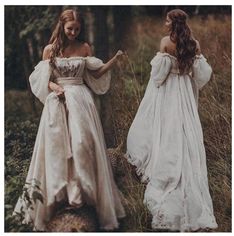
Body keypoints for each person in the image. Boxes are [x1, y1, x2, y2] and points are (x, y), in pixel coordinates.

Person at [13, 9, 125, 231]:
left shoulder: (84, 48)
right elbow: (42, 79)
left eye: (77, 29)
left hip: (81, 100)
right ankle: (59, 195)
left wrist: (114, 60)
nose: (73, 32)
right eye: (69, 29)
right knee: (57, 147)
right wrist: (55, 87)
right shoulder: (50, 49)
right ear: (61, 27)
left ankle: (82, 194)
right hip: (58, 101)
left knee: (82, 143)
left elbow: (97, 73)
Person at [125, 9, 218, 232]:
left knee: (167, 130)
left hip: (168, 93)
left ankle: (166, 172)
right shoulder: (193, 44)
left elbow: (158, 77)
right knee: (185, 130)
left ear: (172, 22)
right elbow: (201, 75)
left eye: (167, 19)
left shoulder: (166, 42)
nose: (164, 23)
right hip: (185, 92)